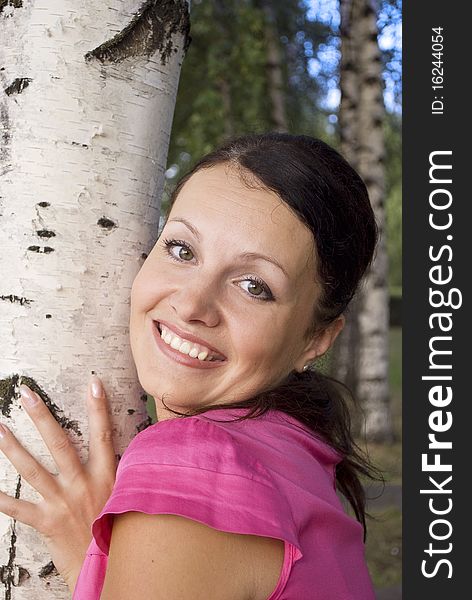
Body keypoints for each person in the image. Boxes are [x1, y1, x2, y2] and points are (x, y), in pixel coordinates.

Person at [0, 132, 380, 599]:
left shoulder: (194, 462)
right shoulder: (297, 455)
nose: (193, 304)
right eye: (182, 250)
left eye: (254, 286)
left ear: (315, 338)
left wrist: (91, 556)